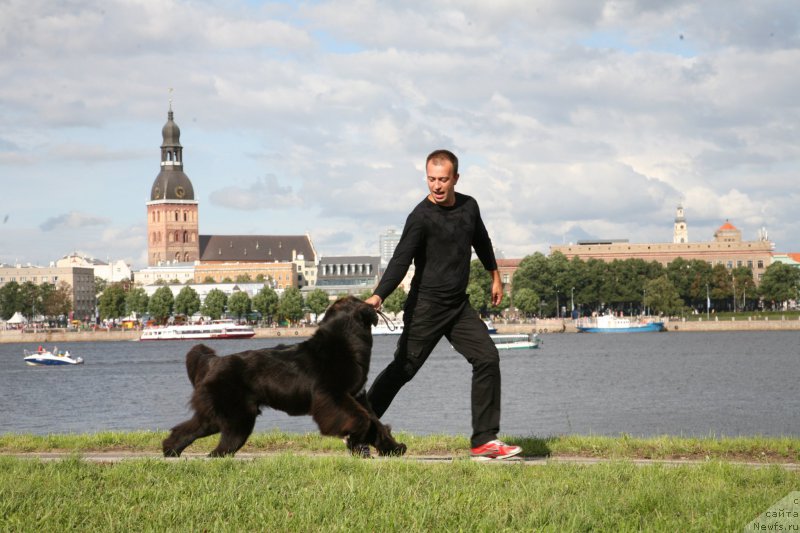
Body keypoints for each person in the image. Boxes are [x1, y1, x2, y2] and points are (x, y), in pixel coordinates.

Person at [363, 149, 521, 461]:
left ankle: (485, 441)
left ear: (455, 179)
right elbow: (400, 260)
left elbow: (482, 240)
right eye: (431, 179)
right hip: (425, 307)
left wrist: (495, 276)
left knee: (487, 358)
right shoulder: (420, 217)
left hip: (457, 307)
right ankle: (359, 429)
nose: (436, 185)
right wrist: (379, 295)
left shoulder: (469, 207)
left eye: (443, 179)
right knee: (403, 369)